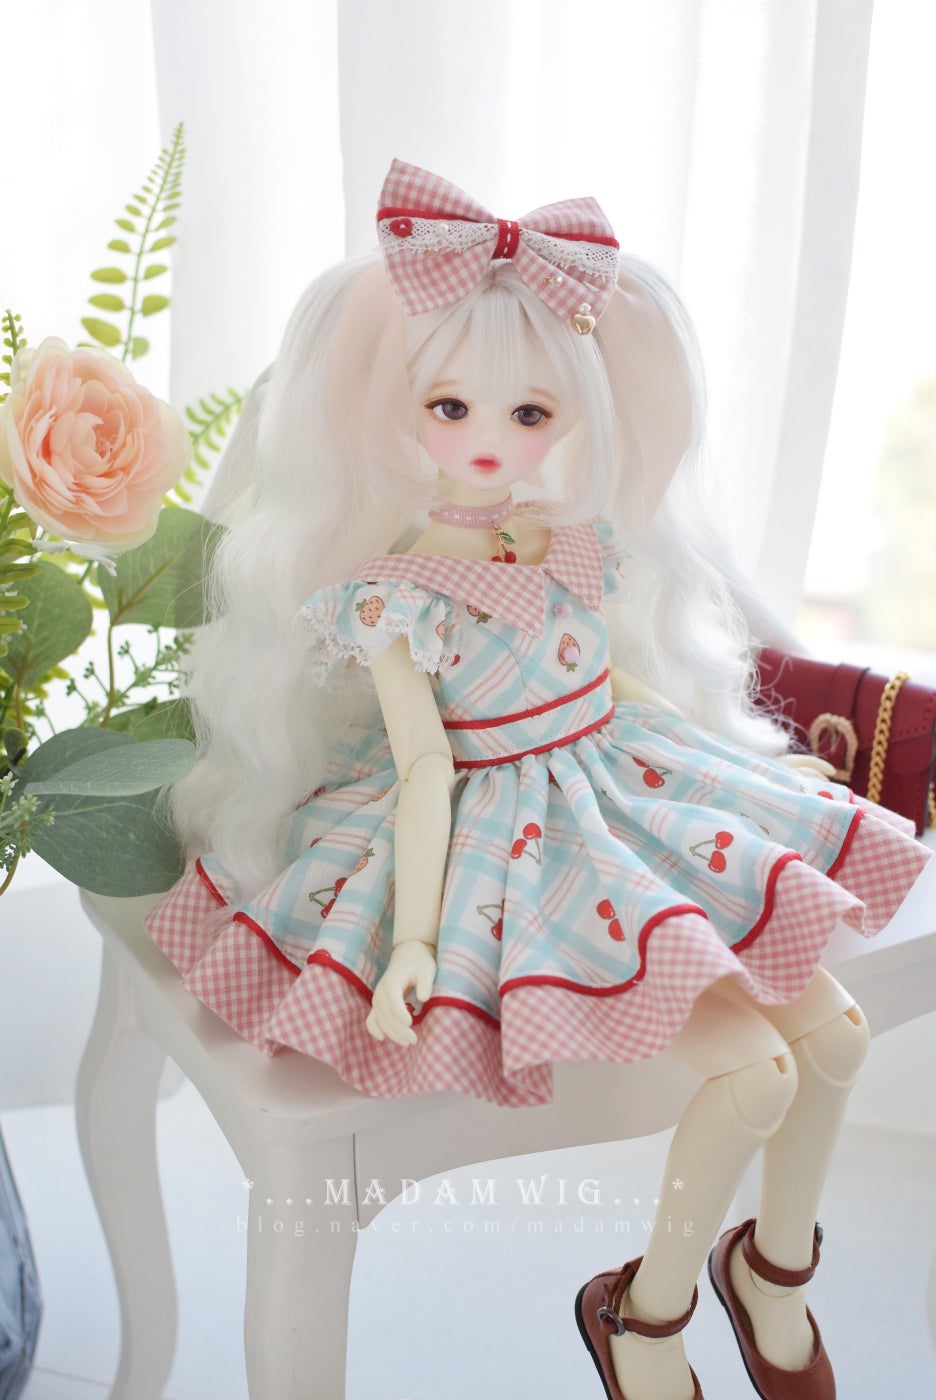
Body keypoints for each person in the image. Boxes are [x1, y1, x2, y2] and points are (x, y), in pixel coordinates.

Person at [146, 160, 930, 1400]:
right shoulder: (398, 595)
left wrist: (734, 774)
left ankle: (772, 1271)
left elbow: (617, 681)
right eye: (450, 407)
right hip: (505, 831)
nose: (489, 442)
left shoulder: (566, 543)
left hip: (620, 781)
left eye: (529, 413)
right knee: (759, 1068)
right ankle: (644, 1313)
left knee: (835, 1034)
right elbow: (423, 768)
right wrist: (412, 942)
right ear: (397, 412)